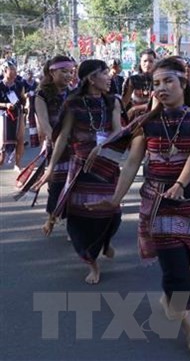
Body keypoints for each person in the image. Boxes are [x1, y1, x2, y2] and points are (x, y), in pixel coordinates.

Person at [86, 56, 190, 351]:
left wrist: (181, 184)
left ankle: (171, 299)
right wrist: (115, 199)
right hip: (158, 201)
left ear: (183, 83)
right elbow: (133, 162)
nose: (160, 88)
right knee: (176, 269)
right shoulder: (146, 122)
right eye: (156, 83)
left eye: (168, 81)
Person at [35, 59, 123, 284]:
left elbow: (118, 131)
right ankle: (92, 264)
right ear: (92, 79)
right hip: (80, 167)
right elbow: (63, 136)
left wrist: (102, 147)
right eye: (104, 73)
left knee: (112, 214)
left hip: (106, 165)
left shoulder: (113, 101)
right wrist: (51, 168)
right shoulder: (73, 104)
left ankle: (105, 241)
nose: (109, 76)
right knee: (79, 219)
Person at [34, 56, 75, 236]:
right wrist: (56, 140)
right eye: (64, 71)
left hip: (74, 145)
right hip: (55, 144)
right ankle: (51, 218)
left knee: (74, 183)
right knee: (57, 184)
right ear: (52, 72)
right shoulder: (41, 95)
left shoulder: (74, 93)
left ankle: (72, 224)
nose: (68, 76)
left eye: (71, 72)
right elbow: (44, 123)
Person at [0, 59, 26, 171]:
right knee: (2, 143)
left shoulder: (19, 84)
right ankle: (1, 161)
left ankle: (17, 163)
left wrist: (26, 104)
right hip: (2, 115)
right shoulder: (0, 85)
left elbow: (23, 98)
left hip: (17, 114)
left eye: (16, 70)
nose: (15, 72)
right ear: (5, 71)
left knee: (20, 139)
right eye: (12, 70)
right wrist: (6, 105)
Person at [122, 49, 156, 120]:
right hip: (136, 119)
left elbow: (159, 104)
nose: (147, 64)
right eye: (145, 61)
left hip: (154, 117)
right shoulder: (133, 79)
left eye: (151, 61)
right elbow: (124, 102)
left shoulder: (159, 80)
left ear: (155, 63)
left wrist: (135, 108)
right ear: (140, 62)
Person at [23, 69, 40, 148]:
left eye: (31, 73)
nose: (30, 75)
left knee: (37, 122)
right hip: (28, 104)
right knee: (30, 122)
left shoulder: (35, 83)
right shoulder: (23, 83)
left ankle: (37, 140)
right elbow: (22, 94)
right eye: (28, 73)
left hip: (35, 103)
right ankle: (32, 141)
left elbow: (38, 91)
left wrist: (35, 93)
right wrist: (26, 94)